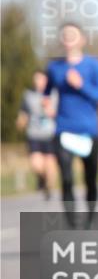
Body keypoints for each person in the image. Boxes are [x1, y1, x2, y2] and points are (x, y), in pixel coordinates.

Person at [45, 23, 98, 226]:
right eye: (65, 35)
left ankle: (89, 220)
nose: (68, 38)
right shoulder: (54, 68)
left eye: (73, 35)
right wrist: (46, 103)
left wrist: (81, 85)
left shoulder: (93, 65)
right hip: (63, 129)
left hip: (89, 130)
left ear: (82, 39)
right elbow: (46, 93)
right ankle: (72, 224)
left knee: (90, 179)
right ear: (61, 40)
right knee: (66, 178)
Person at [18, 70, 59, 199]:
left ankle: (49, 187)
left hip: (51, 133)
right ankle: (42, 178)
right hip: (34, 134)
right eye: (36, 79)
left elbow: (60, 113)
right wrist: (21, 121)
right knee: (36, 164)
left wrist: (48, 108)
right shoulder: (28, 95)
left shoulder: (55, 94)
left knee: (50, 162)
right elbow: (24, 112)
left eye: (41, 79)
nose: (38, 82)